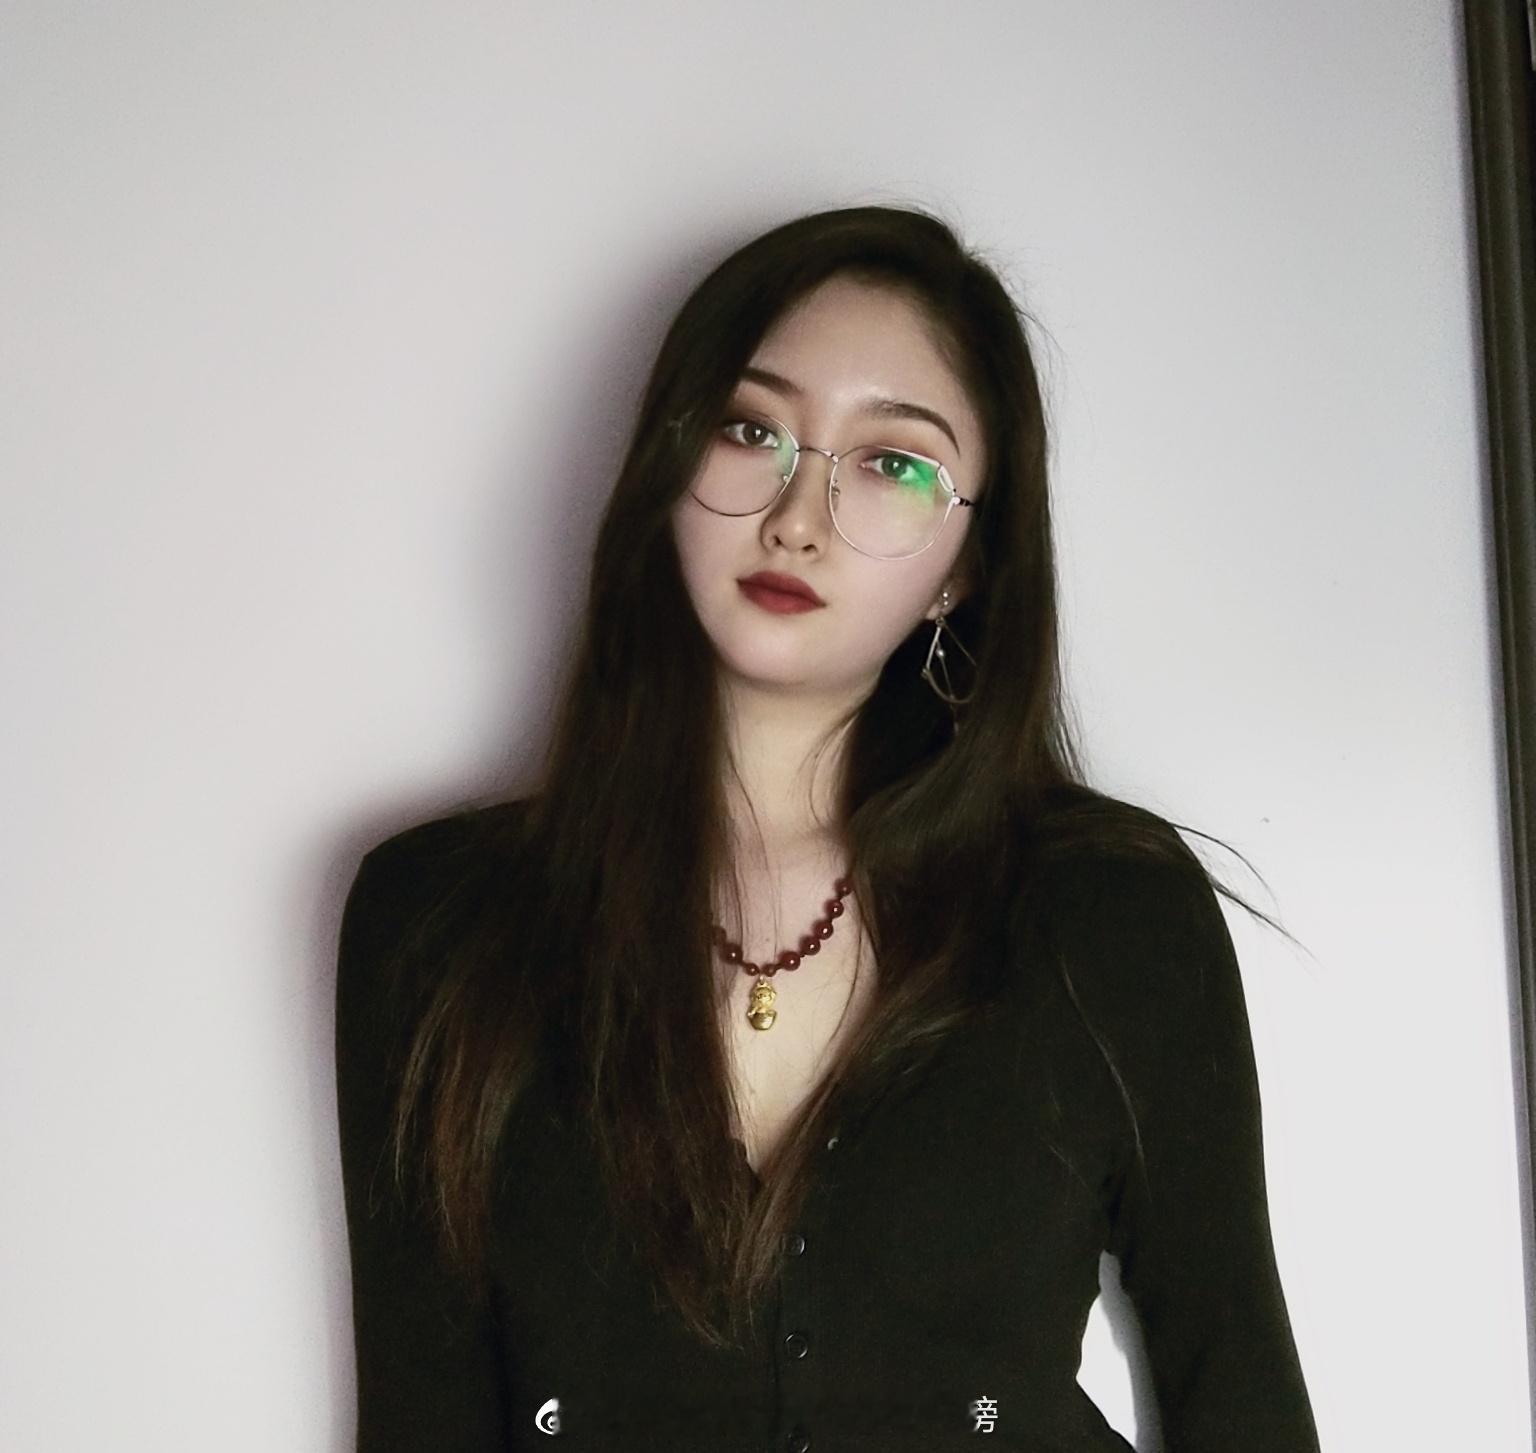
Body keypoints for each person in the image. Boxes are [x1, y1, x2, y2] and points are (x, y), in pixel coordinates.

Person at [334, 204, 1321, 1452]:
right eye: (754, 430)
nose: (799, 515)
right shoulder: (437, 923)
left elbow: (1239, 1389)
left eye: (894, 463)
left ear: (965, 568)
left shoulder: (1106, 912)